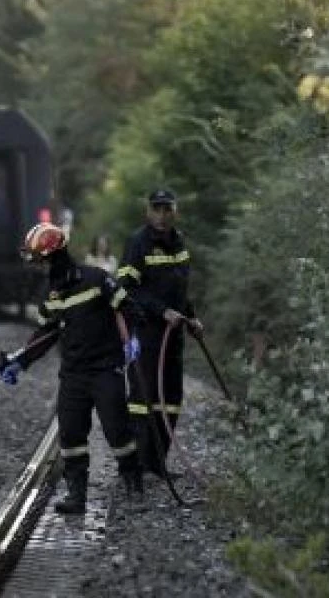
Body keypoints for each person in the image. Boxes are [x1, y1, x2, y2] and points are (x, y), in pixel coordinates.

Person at [0, 222, 143, 515]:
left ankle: (133, 484)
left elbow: (128, 307)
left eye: (39, 259)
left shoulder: (96, 279)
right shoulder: (53, 295)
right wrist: (20, 362)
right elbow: (44, 336)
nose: (37, 266)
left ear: (54, 255)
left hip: (105, 368)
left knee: (117, 429)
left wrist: (133, 338)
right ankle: (77, 495)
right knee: (71, 435)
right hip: (74, 373)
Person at [116, 189, 203, 479]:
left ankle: (158, 462)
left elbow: (180, 288)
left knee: (171, 399)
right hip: (146, 333)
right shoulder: (137, 243)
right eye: (157, 209)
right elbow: (127, 288)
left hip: (173, 335)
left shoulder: (179, 242)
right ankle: (139, 464)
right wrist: (160, 311)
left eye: (167, 209)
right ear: (148, 211)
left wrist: (191, 317)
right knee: (144, 399)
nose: (162, 215)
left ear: (175, 211)